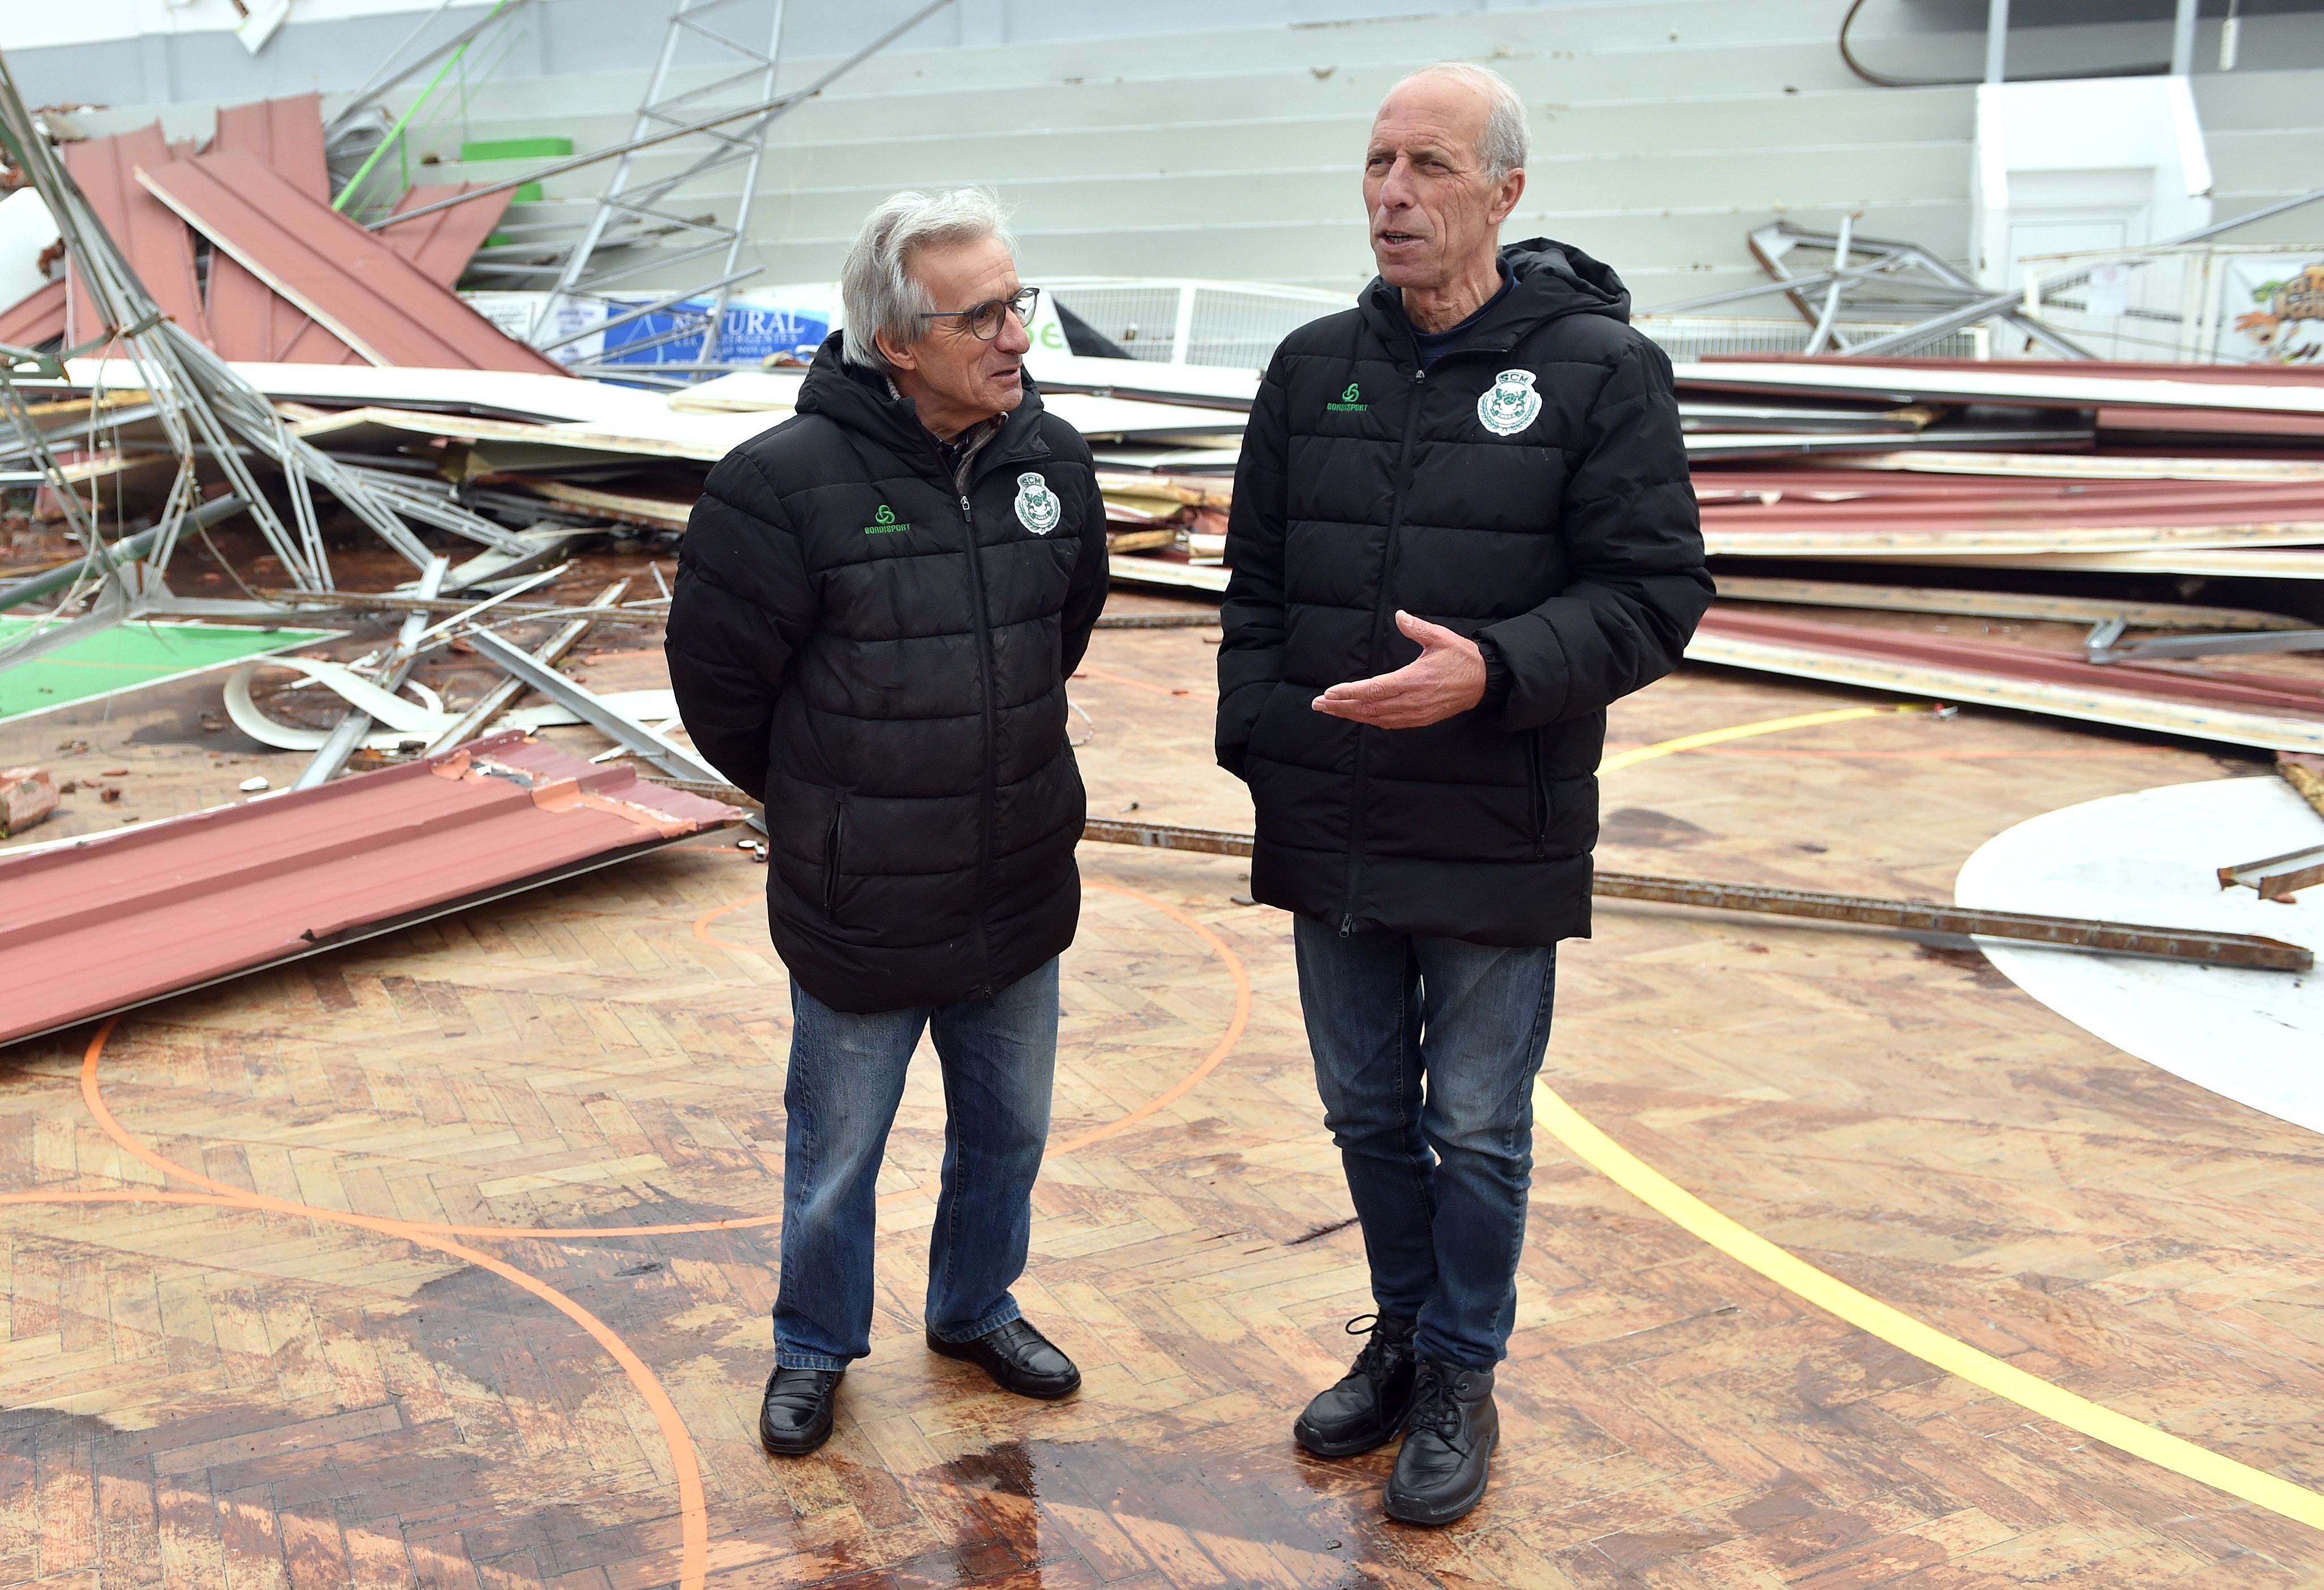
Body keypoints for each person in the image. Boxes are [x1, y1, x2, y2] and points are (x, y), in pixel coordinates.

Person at [1215, 62, 1711, 1525]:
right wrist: (1264, 738)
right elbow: (1251, 587)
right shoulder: (1313, 369)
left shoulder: (1600, 372)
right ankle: (1401, 1329)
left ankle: (1461, 1374)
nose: (1391, 193)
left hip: (1498, 814)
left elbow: (1653, 595)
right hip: (1334, 814)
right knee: (1365, 1111)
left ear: (1504, 191)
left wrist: (1490, 671)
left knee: (1476, 1123)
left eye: (1428, 165)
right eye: (1376, 163)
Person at [666, 189, 1109, 1458]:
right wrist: (834, 803)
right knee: (839, 1147)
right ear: (897, 341)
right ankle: (812, 1343)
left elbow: (1056, 632)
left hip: (1019, 874)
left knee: (1006, 1130)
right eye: (982, 315)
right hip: (861, 889)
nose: (1016, 335)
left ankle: (975, 1307)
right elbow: (722, 691)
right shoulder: (780, 486)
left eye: (1015, 301)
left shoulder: (1051, 461)